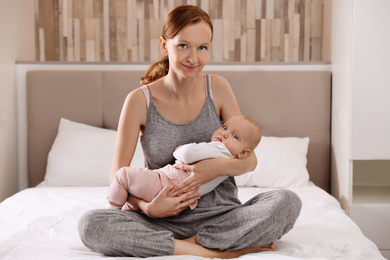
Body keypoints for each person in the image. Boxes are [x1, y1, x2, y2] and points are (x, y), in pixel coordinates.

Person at [78, 5, 302, 258]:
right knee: (91, 224)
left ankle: (188, 245)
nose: (193, 58)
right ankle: (216, 252)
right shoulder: (139, 101)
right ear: (165, 45)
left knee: (287, 202)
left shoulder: (218, 87)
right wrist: (149, 208)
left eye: (202, 48)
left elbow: (249, 160)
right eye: (183, 45)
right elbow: (117, 175)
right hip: (160, 218)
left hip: (221, 216)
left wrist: (217, 168)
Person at [107, 115, 262, 211]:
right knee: (129, 206)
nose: (224, 133)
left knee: (122, 176)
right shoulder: (232, 157)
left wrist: (179, 150)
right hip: (180, 195)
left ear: (243, 153)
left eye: (234, 136)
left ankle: (111, 214)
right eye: (225, 127)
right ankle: (123, 214)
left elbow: (187, 154)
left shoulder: (220, 149)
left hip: (167, 183)